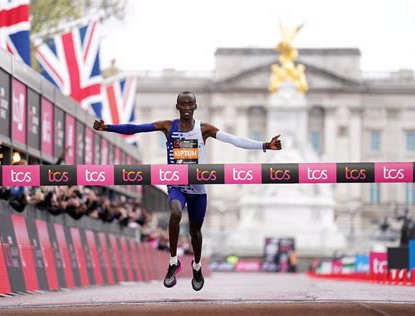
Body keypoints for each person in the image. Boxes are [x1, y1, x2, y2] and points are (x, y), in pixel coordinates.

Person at [93, 91, 282, 291]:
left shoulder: (204, 129)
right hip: (176, 184)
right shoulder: (168, 126)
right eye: (182, 104)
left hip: (198, 188)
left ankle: (197, 266)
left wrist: (265, 145)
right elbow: (137, 128)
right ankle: (173, 261)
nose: (186, 108)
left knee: (195, 232)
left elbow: (233, 140)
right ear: (177, 107)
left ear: (195, 107)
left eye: (189, 104)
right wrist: (108, 127)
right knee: (175, 212)